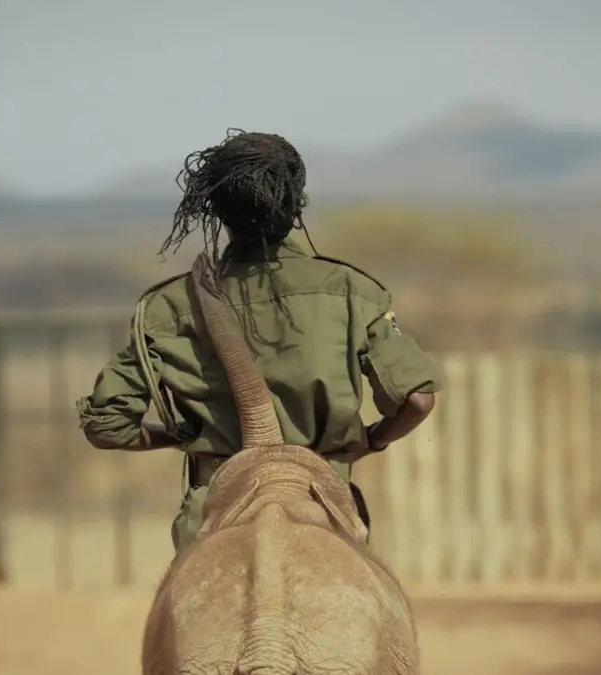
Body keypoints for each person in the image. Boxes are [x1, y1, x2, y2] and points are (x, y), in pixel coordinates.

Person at [76, 129, 441, 554]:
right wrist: (372, 440)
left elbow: (107, 426)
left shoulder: (168, 306)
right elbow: (418, 400)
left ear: (216, 211)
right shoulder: (350, 290)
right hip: (324, 504)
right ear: (296, 203)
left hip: (214, 516)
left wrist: (181, 436)